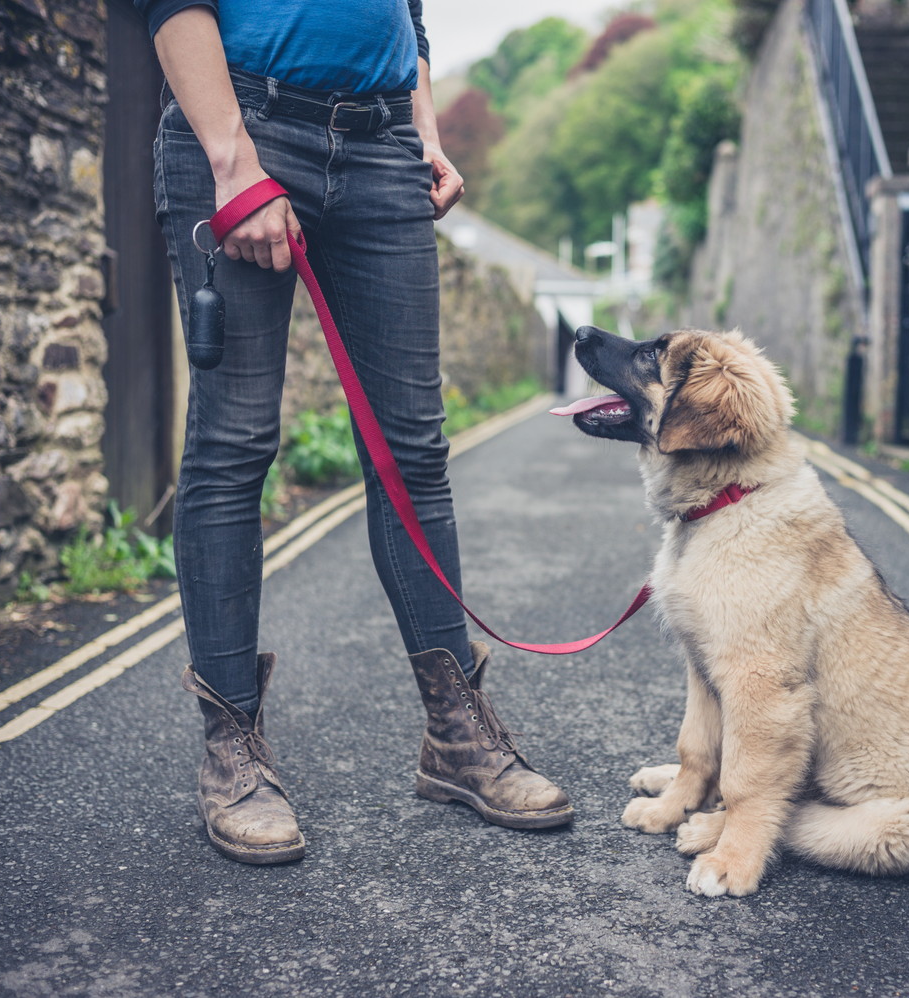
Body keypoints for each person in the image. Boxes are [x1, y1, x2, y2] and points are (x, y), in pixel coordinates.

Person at [136, 0, 573, 865]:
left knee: (413, 451)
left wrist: (425, 130)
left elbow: (402, 14)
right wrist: (232, 160)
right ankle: (232, 752)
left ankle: (456, 737)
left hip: (382, 152)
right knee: (234, 447)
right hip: (243, 127)